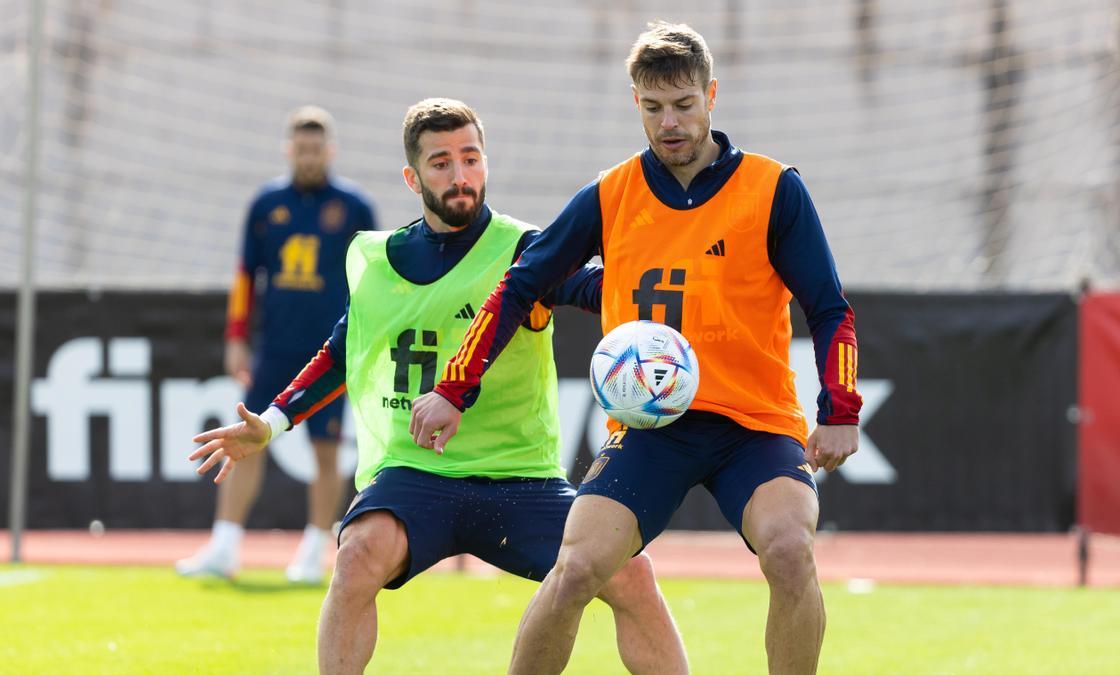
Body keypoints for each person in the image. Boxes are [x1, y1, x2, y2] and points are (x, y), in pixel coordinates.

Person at [410, 22, 863, 674]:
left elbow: (829, 307)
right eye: (653, 107)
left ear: (711, 94)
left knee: (791, 550)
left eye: (683, 104)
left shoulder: (772, 188)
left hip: (754, 425)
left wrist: (841, 409)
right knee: (574, 570)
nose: (669, 121)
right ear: (636, 104)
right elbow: (521, 283)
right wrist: (456, 387)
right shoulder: (611, 193)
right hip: (649, 428)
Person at [188, 99, 688, 674]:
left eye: (471, 159)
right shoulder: (378, 260)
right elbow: (342, 353)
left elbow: (600, 289)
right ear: (413, 177)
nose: (460, 176)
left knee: (632, 573)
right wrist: (273, 423)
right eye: (442, 163)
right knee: (356, 556)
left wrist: (670, 277)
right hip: (414, 475)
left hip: (520, 477)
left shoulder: (526, 248)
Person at [177, 106, 377, 583]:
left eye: (317, 149)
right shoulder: (266, 204)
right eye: (301, 149)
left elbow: (371, 278)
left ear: (330, 151)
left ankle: (313, 550)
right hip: (276, 345)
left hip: (331, 347)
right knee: (247, 437)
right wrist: (237, 338)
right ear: (289, 150)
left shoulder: (355, 207)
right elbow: (246, 274)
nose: (309, 158)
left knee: (326, 449)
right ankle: (225, 545)